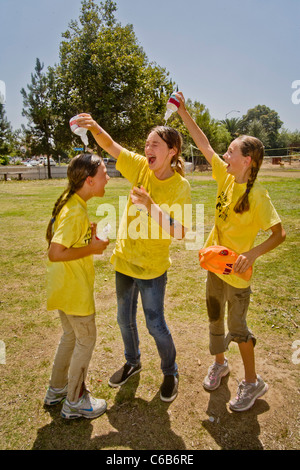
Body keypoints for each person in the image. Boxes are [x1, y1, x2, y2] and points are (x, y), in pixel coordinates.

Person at [176, 92, 286, 411]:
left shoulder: (258, 197)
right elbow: (204, 143)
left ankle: (252, 382)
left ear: (246, 160)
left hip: (237, 278)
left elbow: (279, 233)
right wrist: (184, 113)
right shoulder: (225, 176)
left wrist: (251, 255)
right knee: (214, 320)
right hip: (215, 268)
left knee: (238, 330)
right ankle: (220, 364)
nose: (225, 154)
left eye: (231, 151)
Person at [76, 114, 192, 402]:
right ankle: (133, 361)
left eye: (155, 144)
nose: (148, 149)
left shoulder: (180, 187)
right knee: (123, 320)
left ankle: (170, 371)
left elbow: (181, 232)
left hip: (152, 268)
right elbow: (111, 146)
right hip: (125, 260)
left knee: (156, 325)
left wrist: (152, 207)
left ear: (172, 151)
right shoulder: (141, 166)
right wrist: (93, 127)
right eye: (146, 144)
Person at [44, 153, 110, 419]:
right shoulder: (73, 211)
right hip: (75, 291)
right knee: (86, 340)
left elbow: (68, 243)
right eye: (105, 173)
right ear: (90, 180)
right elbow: (55, 252)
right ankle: (75, 401)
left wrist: (88, 239)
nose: (108, 177)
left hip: (64, 288)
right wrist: (92, 247)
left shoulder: (74, 204)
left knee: (70, 337)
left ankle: (57, 390)